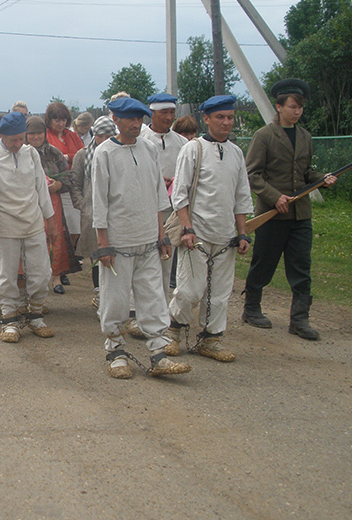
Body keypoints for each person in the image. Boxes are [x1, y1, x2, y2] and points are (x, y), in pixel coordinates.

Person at [91, 97, 191, 379]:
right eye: (130, 119)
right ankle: (115, 351)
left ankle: (158, 352)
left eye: (139, 119)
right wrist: (103, 243)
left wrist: (161, 235)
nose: (136, 124)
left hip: (148, 240)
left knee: (153, 297)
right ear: (116, 120)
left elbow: (158, 195)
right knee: (116, 300)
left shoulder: (148, 149)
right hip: (118, 242)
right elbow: (99, 200)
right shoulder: (104, 153)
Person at [242, 79, 336, 340]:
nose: (297, 112)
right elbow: (252, 174)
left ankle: (299, 319)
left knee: (301, 266)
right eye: (293, 107)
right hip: (271, 214)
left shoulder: (305, 136)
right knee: (264, 262)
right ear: (279, 106)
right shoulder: (264, 136)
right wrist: (275, 197)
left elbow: (305, 173)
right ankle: (251, 309)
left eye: (300, 107)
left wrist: (322, 179)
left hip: (300, 215)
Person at [165, 95, 254, 362]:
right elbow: (180, 194)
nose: (226, 122)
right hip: (197, 234)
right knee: (189, 289)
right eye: (220, 117)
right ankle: (173, 332)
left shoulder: (236, 153)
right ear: (207, 119)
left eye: (230, 117)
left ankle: (211, 339)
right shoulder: (193, 149)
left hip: (225, 236)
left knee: (219, 293)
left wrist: (242, 233)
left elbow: (241, 196)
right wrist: (187, 228)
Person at [0, 111, 57, 343]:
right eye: (13, 140)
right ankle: (9, 318)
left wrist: (50, 221)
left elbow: (41, 188)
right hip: (4, 225)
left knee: (41, 273)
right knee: (6, 275)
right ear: (2, 135)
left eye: (21, 138)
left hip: (33, 223)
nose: (18, 144)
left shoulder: (31, 154)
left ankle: (36, 315)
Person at [118, 93, 191, 339]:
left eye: (172, 113)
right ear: (152, 114)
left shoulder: (182, 143)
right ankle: (133, 312)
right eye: (164, 113)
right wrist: (157, 182)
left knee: (164, 261)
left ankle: (158, 313)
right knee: (138, 260)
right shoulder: (141, 139)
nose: (169, 118)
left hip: (171, 211)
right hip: (142, 210)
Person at [68, 116, 117, 308]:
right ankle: (99, 294)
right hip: (92, 212)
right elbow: (75, 183)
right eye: (100, 135)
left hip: (116, 212)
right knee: (97, 254)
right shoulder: (83, 155)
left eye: (108, 136)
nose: (103, 140)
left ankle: (114, 295)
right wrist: (83, 206)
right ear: (94, 135)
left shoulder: (119, 153)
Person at [25, 116, 77, 295]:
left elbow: (69, 177)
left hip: (53, 201)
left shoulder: (54, 153)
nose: (36, 137)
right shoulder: (21, 153)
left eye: (39, 133)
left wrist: (59, 185)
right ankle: (31, 279)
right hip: (28, 203)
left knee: (55, 238)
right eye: (31, 133)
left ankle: (56, 277)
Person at [44, 102, 83, 285]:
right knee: (54, 230)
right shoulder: (46, 135)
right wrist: (69, 157)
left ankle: (62, 264)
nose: (61, 124)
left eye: (64, 120)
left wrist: (66, 156)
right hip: (53, 188)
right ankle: (54, 271)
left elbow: (82, 154)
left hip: (71, 184)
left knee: (74, 228)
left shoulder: (72, 135)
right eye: (56, 120)